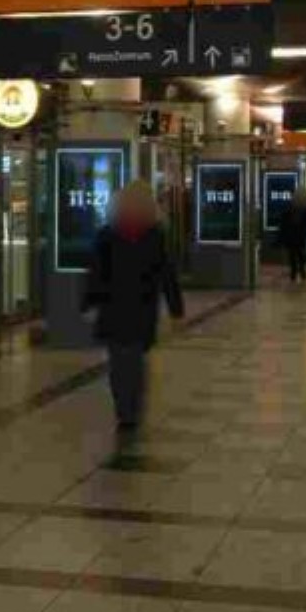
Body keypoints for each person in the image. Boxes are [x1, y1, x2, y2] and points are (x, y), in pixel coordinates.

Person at [83, 180, 184, 432]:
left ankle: (125, 408)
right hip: (140, 309)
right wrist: (175, 308)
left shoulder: (109, 235)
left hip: (116, 308)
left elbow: (96, 274)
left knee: (120, 362)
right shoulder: (152, 235)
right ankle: (131, 409)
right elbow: (167, 274)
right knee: (133, 360)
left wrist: (89, 302)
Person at [280, 189, 306, 282]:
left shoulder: (289, 208)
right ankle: (301, 270)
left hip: (291, 236)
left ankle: (294, 272)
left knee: (292, 254)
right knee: (301, 254)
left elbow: (283, 224)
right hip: (301, 236)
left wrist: (282, 237)